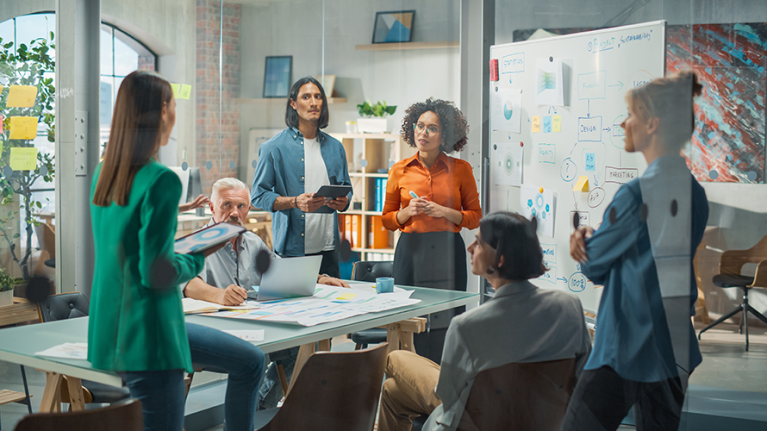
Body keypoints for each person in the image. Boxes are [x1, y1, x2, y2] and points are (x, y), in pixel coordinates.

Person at [89, 71, 262, 431]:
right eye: (173, 104)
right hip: (152, 330)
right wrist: (199, 252)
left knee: (249, 362)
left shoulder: (104, 173)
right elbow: (156, 273)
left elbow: (128, 251)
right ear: (163, 112)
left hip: (112, 326)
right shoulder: (162, 179)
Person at [564, 71, 709, 431]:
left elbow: (595, 265)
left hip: (625, 346)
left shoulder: (634, 194)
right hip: (673, 344)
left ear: (652, 124)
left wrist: (583, 243)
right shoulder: (696, 192)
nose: (624, 123)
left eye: (630, 115)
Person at [378, 212, 592, 431]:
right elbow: (584, 378)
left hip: (476, 423)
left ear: (500, 258)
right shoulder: (569, 307)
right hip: (544, 421)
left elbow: (447, 398)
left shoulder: (467, 326)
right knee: (392, 391)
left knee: (394, 358)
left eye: (478, 242)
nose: (470, 248)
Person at [184, 177, 349, 409]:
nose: (234, 213)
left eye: (241, 206)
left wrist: (319, 279)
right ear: (212, 208)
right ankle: (250, 411)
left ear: (248, 209)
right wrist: (220, 296)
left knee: (303, 346)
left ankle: (260, 406)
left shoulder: (253, 242)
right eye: (227, 205)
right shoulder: (196, 242)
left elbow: (280, 270)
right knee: (254, 355)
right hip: (214, 329)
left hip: (256, 324)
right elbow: (187, 284)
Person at [382, 98, 481, 363]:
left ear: (445, 135)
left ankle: (445, 380)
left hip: (448, 251)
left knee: (448, 319)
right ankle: (409, 379)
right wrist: (407, 212)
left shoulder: (461, 170)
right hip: (410, 251)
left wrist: (445, 212)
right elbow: (387, 221)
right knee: (409, 317)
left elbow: (475, 218)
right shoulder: (399, 170)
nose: (423, 133)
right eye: (419, 126)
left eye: (432, 128)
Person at [251, 77, 352, 278]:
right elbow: (258, 196)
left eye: (318, 97)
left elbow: (346, 189)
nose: (313, 102)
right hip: (291, 252)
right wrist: (295, 202)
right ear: (293, 104)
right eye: (306, 97)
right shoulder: (273, 148)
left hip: (329, 250)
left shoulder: (335, 147)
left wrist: (344, 201)